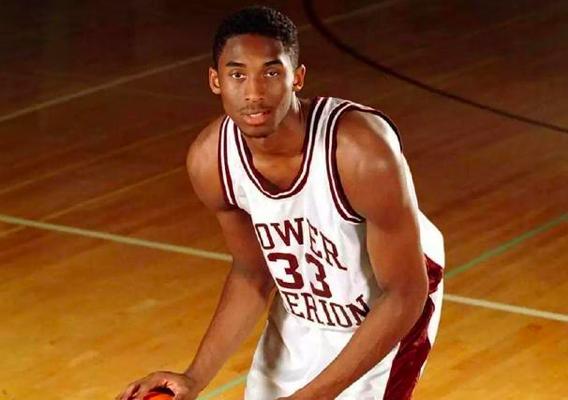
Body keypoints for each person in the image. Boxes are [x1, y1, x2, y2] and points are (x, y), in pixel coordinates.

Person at [117, 5, 444, 400]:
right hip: (304, 307)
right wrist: (193, 377)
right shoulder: (211, 160)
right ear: (216, 80)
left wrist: (311, 396)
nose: (254, 93)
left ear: (297, 78)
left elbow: (404, 294)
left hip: (388, 309)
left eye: (271, 73)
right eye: (238, 75)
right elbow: (252, 273)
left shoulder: (360, 152)